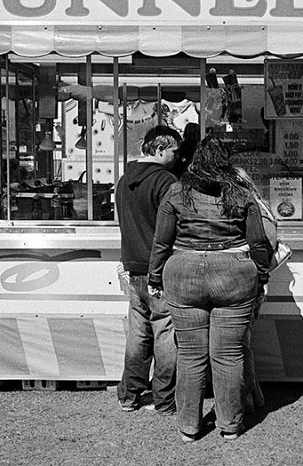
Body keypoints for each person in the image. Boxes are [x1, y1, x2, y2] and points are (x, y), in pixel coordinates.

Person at [148, 136, 272, 442]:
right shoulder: (242, 195)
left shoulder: (176, 192)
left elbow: (162, 242)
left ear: (194, 161)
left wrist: (154, 276)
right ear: (225, 163)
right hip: (233, 275)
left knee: (190, 354)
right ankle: (229, 425)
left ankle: (189, 427)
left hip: (183, 274)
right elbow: (258, 243)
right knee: (228, 355)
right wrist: (262, 275)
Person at [116, 124, 182, 416]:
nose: (178, 158)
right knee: (165, 333)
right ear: (159, 150)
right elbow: (172, 229)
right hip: (161, 270)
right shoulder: (166, 182)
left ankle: (129, 395)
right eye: (174, 152)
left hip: (133, 268)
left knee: (138, 334)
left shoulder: (123, 180)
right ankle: (164, 399)